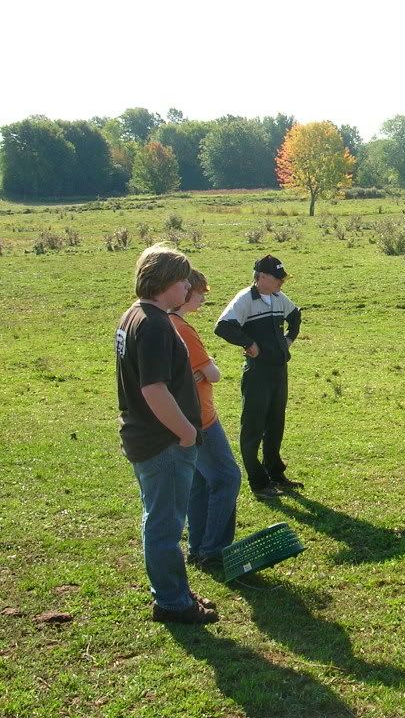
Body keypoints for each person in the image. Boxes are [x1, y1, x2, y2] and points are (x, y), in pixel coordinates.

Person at [115, 243, 218, 624]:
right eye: (183, 281)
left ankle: (173, 591)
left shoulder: (133, 316)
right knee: (165, 524)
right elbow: (153, 389)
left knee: (157, 517)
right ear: (166, 283)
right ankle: (173, 603)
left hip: (145, 437)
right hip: (163, 442)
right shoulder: (156, 325)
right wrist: (187, 432)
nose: (188, 289)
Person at [169, 268, 242, 570]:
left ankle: (198, 547)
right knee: (227, 478)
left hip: (185, 417)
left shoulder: (167, 322)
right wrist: (208, 364)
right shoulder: (183, 329)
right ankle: (214, 550)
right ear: (184, 293)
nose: (201, 298)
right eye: (198, 292)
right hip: (201, 418)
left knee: (200, 483)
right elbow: (214, 373)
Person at [215, 254, 303, 499]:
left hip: (278, 371)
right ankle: (258, 482)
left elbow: (295, 315)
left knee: (276, 423)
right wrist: (248, 342)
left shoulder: (277, 297)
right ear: (262, 277)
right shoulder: (244, 299)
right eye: (278, 278)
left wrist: (288, 340)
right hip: (257, 374)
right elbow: (222, 326)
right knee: (253, 427)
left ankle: (276, 473)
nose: (281, 283)